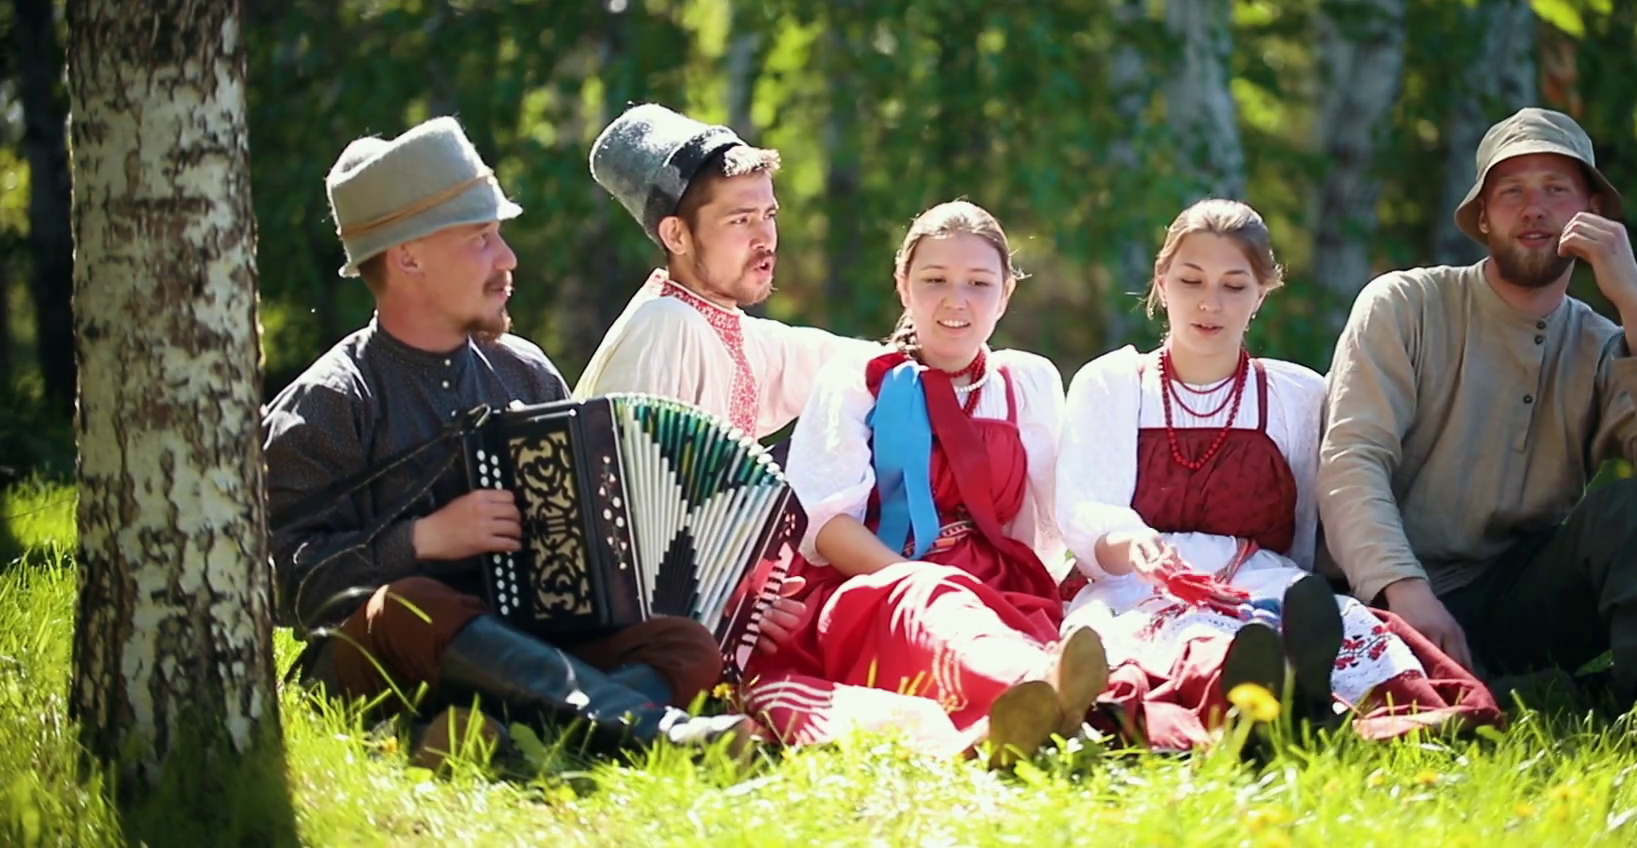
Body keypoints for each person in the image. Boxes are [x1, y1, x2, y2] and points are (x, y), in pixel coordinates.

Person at [263, 117, 752, 768]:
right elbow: (278, 581)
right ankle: (653, 733)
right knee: (409, 606)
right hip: (381, 660)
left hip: (527, 643)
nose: (507, 259)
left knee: (683, 643)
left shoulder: (525, 372)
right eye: (481, 239)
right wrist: (422, 540)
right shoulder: (331, 399)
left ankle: (506, 740)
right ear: (408, 257)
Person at [1317, 107, 1637, 732]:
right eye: (1511, 192)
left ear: (1591, 210)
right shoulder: (1406, 305)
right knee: (1371, 644)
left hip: (1518, 602)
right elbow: (1351, 459)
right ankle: (1584, 694)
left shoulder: (1603, 345)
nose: (1534, 209)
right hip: (1383, 607)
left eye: (1555, 190)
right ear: (1482, 217)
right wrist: (1404, 589)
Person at [1055, 200, 1500, 749]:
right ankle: (1272, 699)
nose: (1210, 302)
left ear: (1262, 294)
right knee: (1190, 642)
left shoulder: (1298, 396)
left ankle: (1312, 693)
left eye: (1234, 285)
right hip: (1137, 586)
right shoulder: (1113, 383)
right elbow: (1084, 507)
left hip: (1260, 581)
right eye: (1191, 280)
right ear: (1162, 282)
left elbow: (1327, 510)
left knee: (1350, 627)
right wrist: (1133, 546)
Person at [740, 201, 1106, 764]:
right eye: (935, 280)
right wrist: (919, 578)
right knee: (929, 602)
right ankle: (1035, 689)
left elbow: (1051, 522)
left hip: (997, 586)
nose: (956, 300)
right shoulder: (860, 379)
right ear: (903, 286)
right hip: (873, 585)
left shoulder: (1026, 382)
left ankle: (1037, 708)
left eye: (978, 282)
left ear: (1006, 294)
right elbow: (826, 524)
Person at [574, 103, 876, 442]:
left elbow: (861, 364)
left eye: (768, 215)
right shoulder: (665, 323)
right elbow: (615, 466)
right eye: (740, 220)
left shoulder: (741, 335)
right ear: (676, 235)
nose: (765, 238)